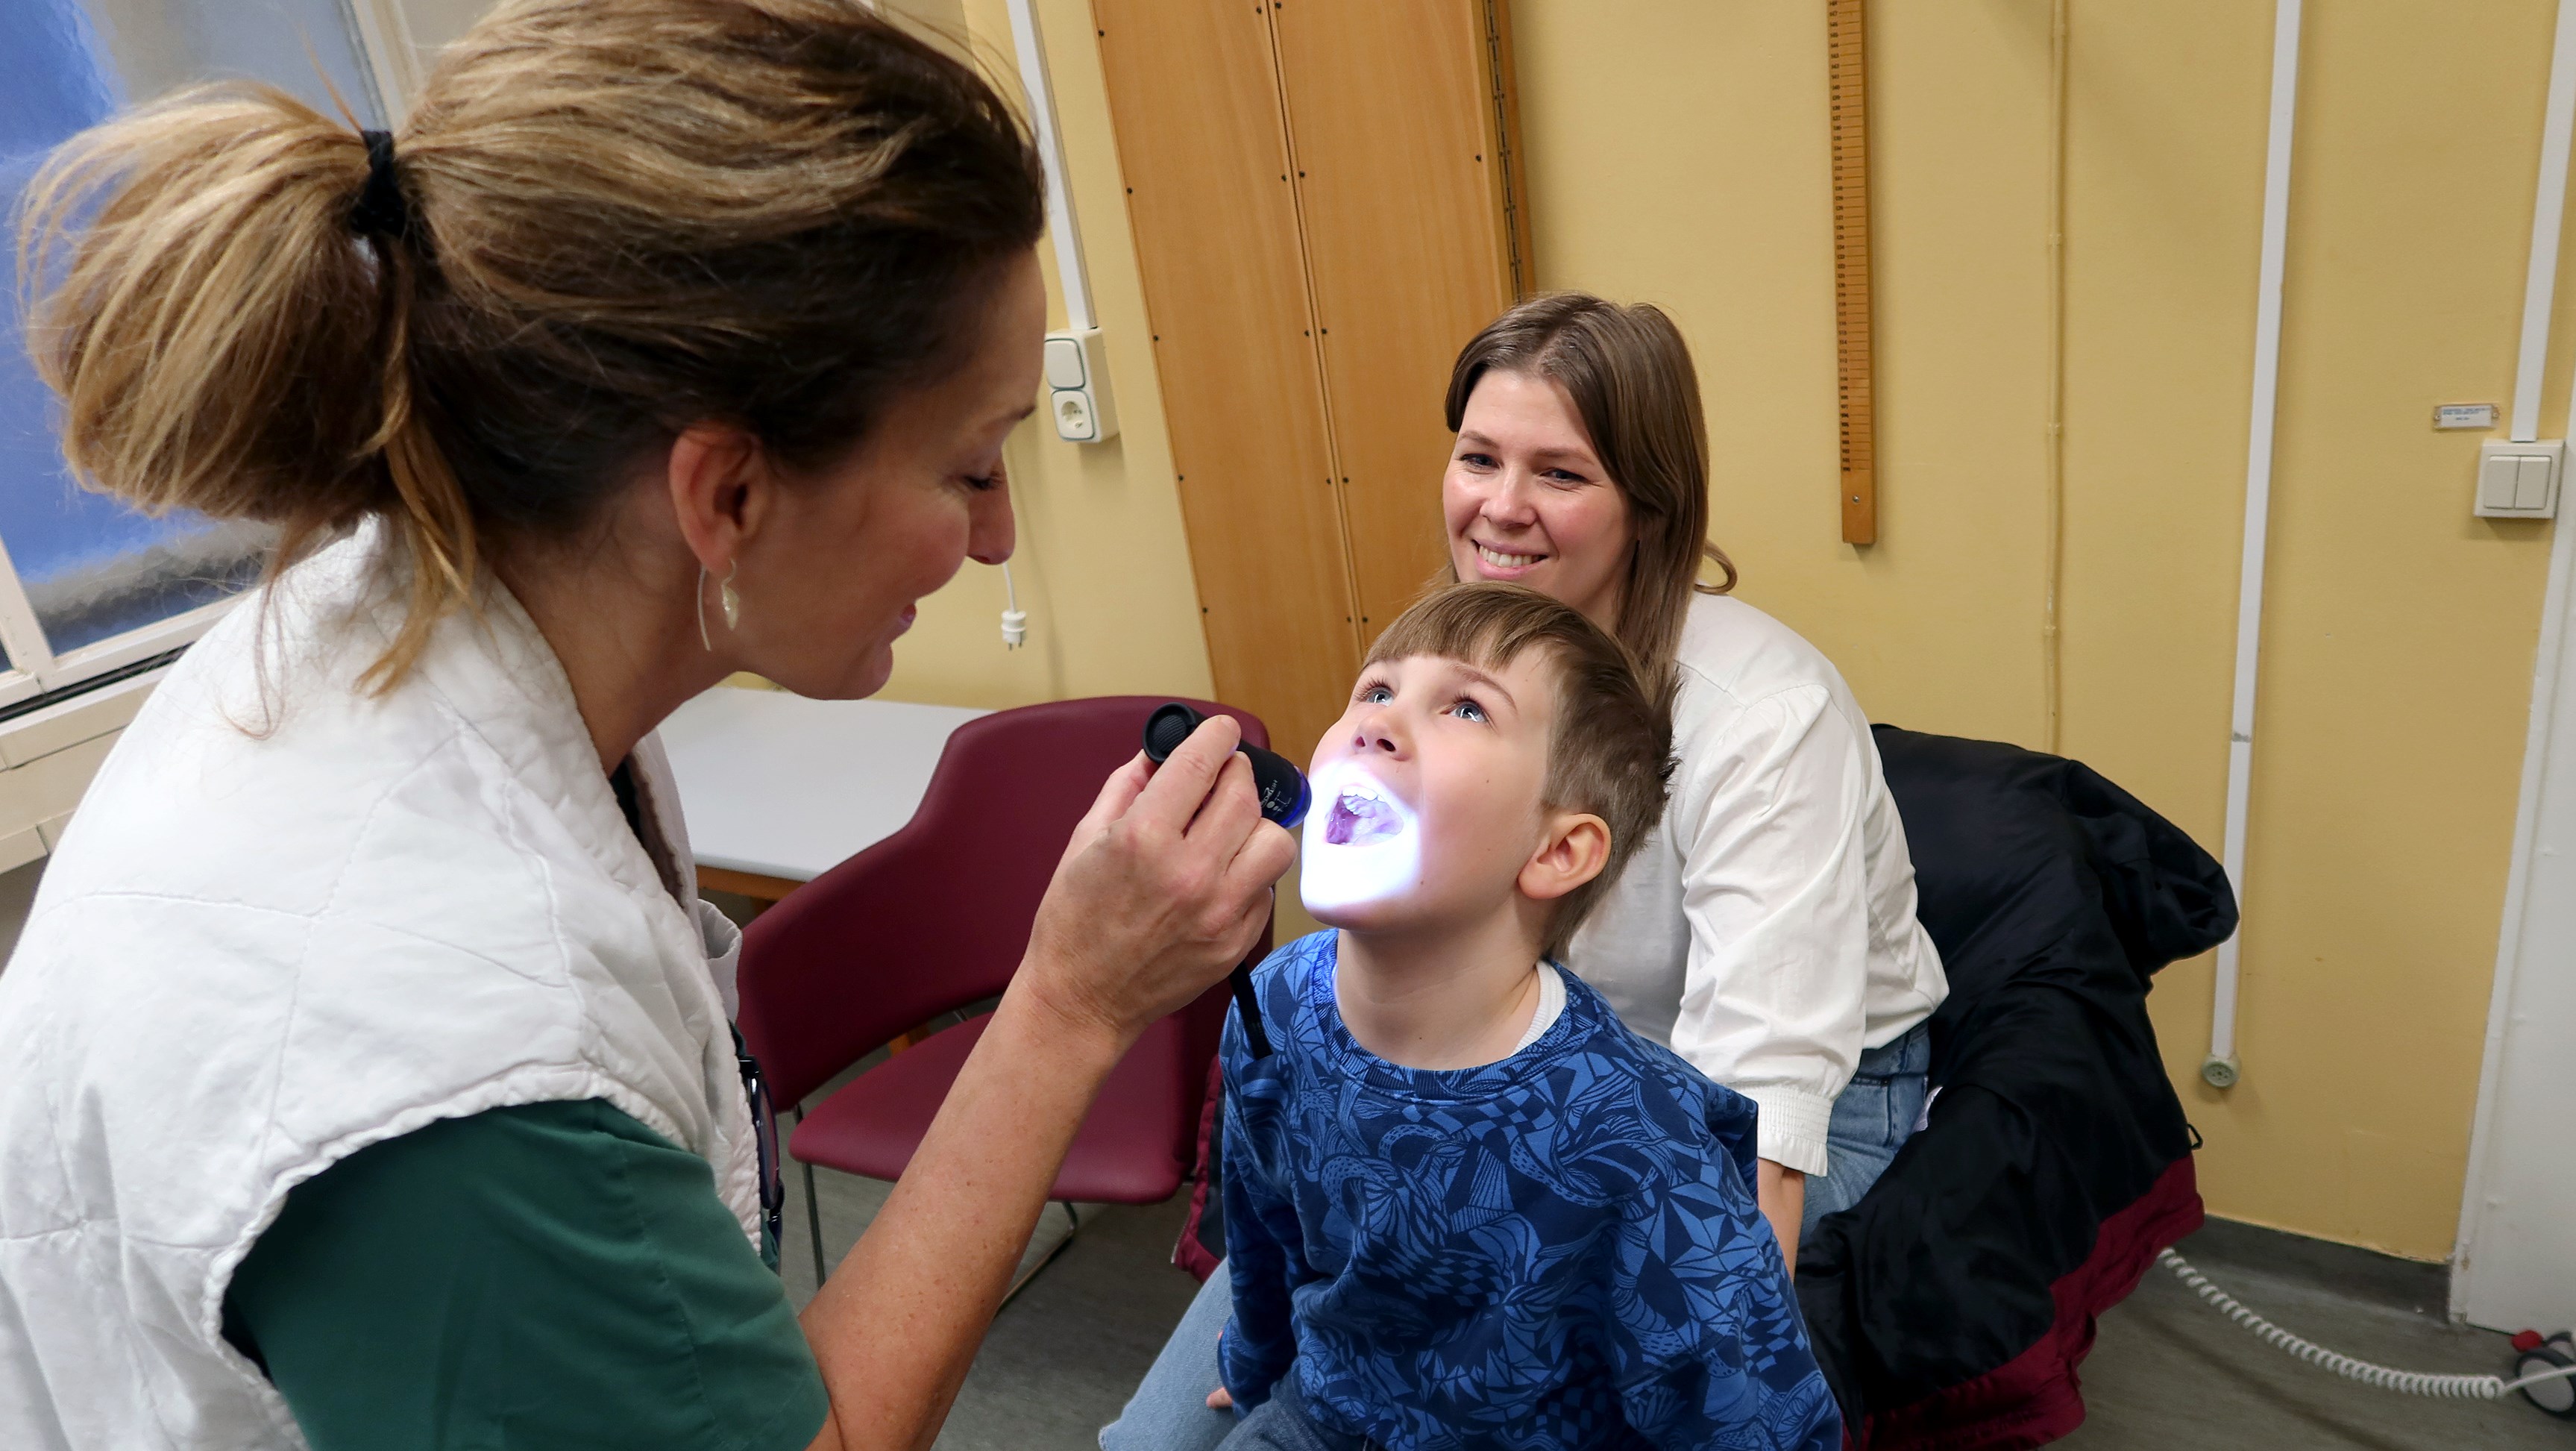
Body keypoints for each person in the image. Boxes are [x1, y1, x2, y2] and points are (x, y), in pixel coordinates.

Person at [0, 5, 1293, 1450]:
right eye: (971, 467)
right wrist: (1069, 1002)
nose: (993, 541)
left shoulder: (436, 617)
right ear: (725, 498)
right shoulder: (443, 1072)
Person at [1106, 294, 1943, 1450]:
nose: (1499, 507)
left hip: (1734, 1101)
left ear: (1647, 506)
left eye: (1558, 473)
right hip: (1496, 1060)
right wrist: (1277, 1351)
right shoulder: (1422, 670)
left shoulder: (1766, 720)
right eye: (1477, 457)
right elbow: (1277, 1206)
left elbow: (1750, 1146)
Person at [1211, 582, 1837, 1451]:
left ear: (1557, 850)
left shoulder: (1637, 1134)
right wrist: (1253, 1371)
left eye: (1465, 707)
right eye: (1377, 689)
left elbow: (1756, 1414)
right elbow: (1266, 1232)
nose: (1377, 723)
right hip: (1320, 1418)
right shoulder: (1271, 1007)